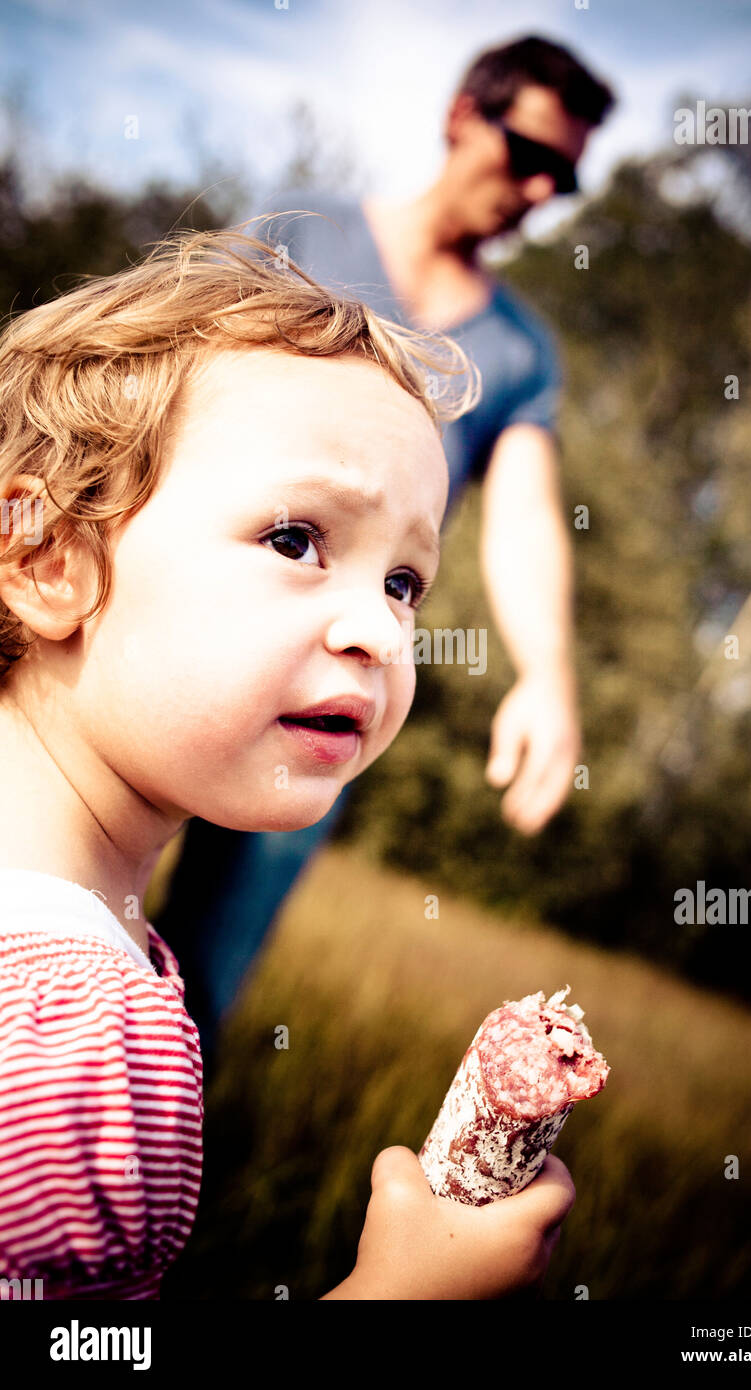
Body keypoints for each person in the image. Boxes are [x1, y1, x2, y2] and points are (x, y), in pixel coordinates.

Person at [0, 224, 574, 1299]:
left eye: (405, 581)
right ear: (49, 560)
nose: (381, 632)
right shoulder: (83, 1044)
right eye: (295, 540)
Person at [154, 34, 616, 1073]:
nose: (540, 189)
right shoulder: (302, 228)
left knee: (198, 986)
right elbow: (162, 373)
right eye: (527, 150)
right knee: (61, 894)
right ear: (461, 114)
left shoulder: (515, 350)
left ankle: (146, 1192)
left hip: (325, 683)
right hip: (180, 624)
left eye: (566, 175)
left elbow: (525, 515)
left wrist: (547, 676)